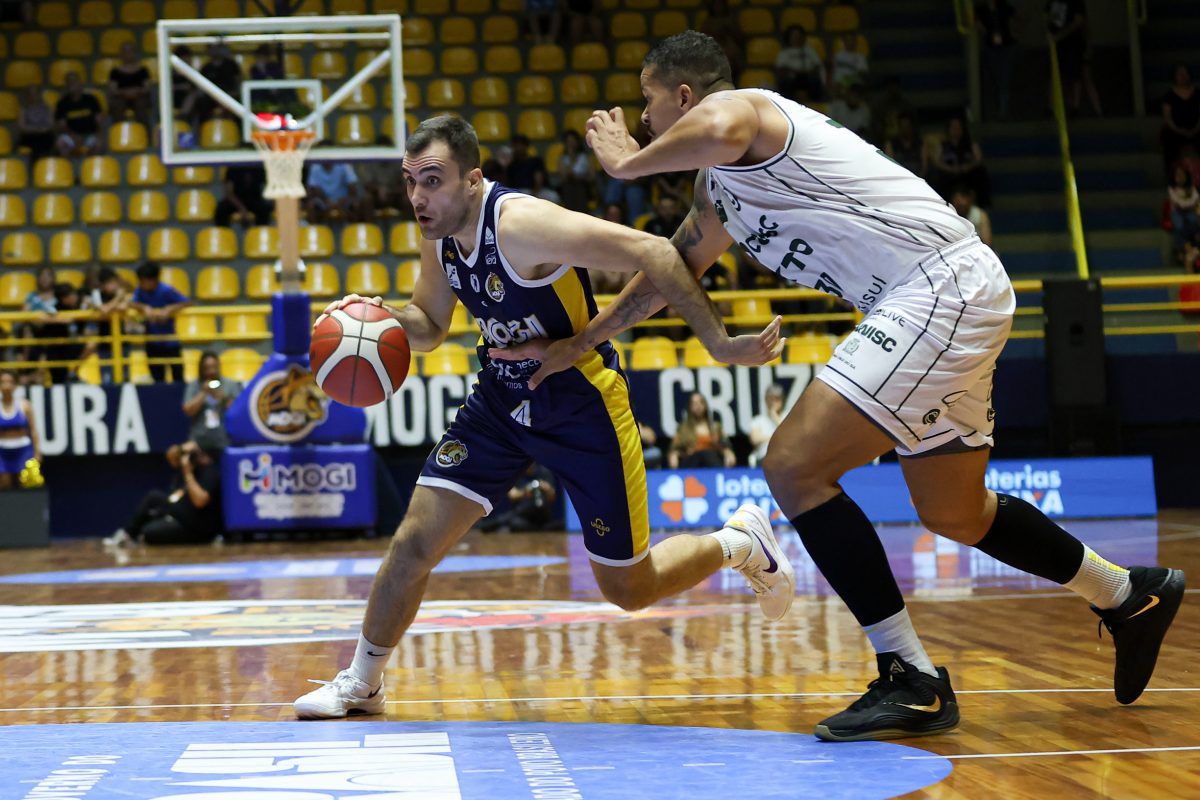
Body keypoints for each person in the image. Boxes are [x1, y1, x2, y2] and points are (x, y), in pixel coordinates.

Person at [508, 30, 1185, 742]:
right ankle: (1126, 593)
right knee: (954, 510)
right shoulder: (717, 188)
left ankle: (911, 676)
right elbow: (668, 272)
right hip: (944, 296)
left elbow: (720, 122)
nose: (644, 117)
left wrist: (626, 164)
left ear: (685, 95)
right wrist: (580, 342)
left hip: (936, 288)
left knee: (793, 466)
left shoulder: (748, 112)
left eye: (649, 100)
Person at [293, 114, 786, 719]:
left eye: (433, 180)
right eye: (410, 181)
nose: (418, 196)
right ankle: (362, 682)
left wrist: (717, 342)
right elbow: (430, 323)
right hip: (500, 403)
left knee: (628, 588)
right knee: (414, 541)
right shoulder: (439, 233)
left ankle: (739, 542)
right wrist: (377, 320)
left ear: (473, 180)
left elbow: (655, 251)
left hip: (581, 406)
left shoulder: (522, 225)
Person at [104, 440, 224, 547]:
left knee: (149, 532)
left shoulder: (210, 471)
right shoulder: (193, 465)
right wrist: (181, 449)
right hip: (183, 513)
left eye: (197, 453)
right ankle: (127, 534)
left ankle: (139, 535)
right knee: (154, 497)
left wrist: (188, 473)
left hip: (197, 525)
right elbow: (170, 457)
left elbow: (200, 501)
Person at [131, 261, 190, 383]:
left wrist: (169, 309)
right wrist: (144, 307)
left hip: (170, 341)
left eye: (143, 281)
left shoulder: (166, 290)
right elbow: (131, 303)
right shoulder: (140, 291)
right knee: (157, 379)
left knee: (178, 376)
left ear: (153, 280)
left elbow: (186, 302)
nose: (141, 284)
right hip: (152, 342)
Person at [1045, 0, 1101, 117]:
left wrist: (1059, 35)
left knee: (1078, 76)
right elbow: (1050, 19)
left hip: (1074, 45)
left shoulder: (1075, 3)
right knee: (1057, 75)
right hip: (1059, 46)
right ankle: (1053, 107)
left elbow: (1080, 22)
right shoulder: (1053, 3)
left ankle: (1081, 108)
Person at [182, 351, 241, 451]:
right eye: (207, 368)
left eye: (214, 367)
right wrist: (203, 393)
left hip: (225, 440)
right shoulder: (194, 385)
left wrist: (224, 399)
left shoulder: (230, 384)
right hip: (199, 440)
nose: (211, 371)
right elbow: (188, 411)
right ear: (201, 369)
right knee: (180, 455)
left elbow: (239, 413)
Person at [478, 462, 560, 533]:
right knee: (516, 523)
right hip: (524, 514)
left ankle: (498, 525)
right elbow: (512, 495)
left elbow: (552, 496)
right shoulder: (517, 473)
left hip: (542, 513)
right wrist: (526, 491)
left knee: (557, 524)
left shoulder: (543, 471)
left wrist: (545, 488)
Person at [930, 116, 990, 208]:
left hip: (967, 173)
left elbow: (978, 159)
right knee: (937, 177)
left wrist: (967, 167)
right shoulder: (943, 144)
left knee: (981, 172)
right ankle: (942, 206)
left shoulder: (970, 144)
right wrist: (949, 168)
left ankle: (983, 204)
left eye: (958, 127)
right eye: (953, 127)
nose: (956, 130)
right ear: (948, 129)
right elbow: (936, 161)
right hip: (948, 173)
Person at [83, 266, 130, 383]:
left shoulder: (120, 293)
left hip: (122, 342)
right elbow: (105, 310)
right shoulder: (96, 294)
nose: (113, 286)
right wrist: (118, 299)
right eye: (110, 283)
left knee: (124, 379)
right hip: (105, 344)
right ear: (102, 285)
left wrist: (114, 303)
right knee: (107, 380)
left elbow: (124, 307)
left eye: (114, 282)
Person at [38, 282, 93, 384]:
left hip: (73, 344)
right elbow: (40, 319)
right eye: (69, 297)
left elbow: (94, 303)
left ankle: (73, 373)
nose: (73, 298)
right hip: (57, 346)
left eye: (73, 295)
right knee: (57, 378)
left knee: (91, 344)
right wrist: (61, 320)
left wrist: (87, 305)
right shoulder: (55, 308)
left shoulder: (82, 301)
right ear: (62, 299)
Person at [668, 392, 736, 469]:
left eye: (701, 402)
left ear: (705, 405)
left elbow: (725, 444)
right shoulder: (683, 428)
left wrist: (728, 452)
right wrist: (674, 455)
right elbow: (675, 448)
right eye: (694, 403)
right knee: (700, 455)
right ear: (690, 407)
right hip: (692, 460)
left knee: (706, 454)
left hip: (712, 459)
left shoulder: (715, 427)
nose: (698, 406)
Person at [976, 0, 1018, 120]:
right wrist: (984, 31)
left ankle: (1003, 110)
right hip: (991, 47)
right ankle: (1001, 107)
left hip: (1007, 46)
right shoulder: (981, 10)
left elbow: (1018, 18)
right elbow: (978, 25)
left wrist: (1015, 32)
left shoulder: (1004, 7)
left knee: (1005, 77)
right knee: (997, 76)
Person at [0, 369, 40, 491]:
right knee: (4, 484)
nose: (7, 386)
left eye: (10, 382)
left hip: (23, 450)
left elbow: (33, 430)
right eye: (3, 382)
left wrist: (37, 453)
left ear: (15, 385)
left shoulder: (24, 405)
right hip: (2, 451)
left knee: (26, 483)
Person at [54, 72, 105, 158]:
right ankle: (69, 165)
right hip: (71, 135)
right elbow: (62, 125)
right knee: (60, 144)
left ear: (80, 83)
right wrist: (74, 136)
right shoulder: (62, 103)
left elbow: (99, 120)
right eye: (69, 82)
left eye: (74, 81)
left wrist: (99, 135)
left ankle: (89, 164)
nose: (72, 84)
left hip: (90, 134)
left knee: (98, 145)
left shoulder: (91, 99)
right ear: (66, 85)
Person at [1161, 64, 1200, 176]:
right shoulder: (1169, 96)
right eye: (1180, 74)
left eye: (1185, 73)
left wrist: (1196, 128)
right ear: (1175, 76)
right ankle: (1172, 175)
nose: (1183, 76)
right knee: (1168, 139)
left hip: (1196, 128)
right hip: (1175, 130)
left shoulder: (1197, 93)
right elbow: (1167, 117)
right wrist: (1178, 130)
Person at [305, 153, 363, 224]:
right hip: (323, 201)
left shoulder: (344, 164)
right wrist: (326, 201)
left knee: (356, 204)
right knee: (311, 206)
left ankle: (355, 229)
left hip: (343, 200)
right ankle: (314, 229)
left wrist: (342, 201)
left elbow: (352, 186)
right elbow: (314, 188)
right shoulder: (315, 167)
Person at [107, 41, 152, 130]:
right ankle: (119, 131)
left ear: (135, 53)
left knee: (141, 105)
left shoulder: (143, 70)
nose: (128, 54)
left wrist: (137, 91)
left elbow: (147, 88)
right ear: (121, 54)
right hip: (121, 97)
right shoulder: (115, 72)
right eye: (125, 51)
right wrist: (126, 93)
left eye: (130, 51)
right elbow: (113, 90)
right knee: (116, 105)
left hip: (139, 97)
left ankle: (143, 132)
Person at [775, 26, 825, 104]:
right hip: (792, 79)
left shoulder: (810, 51)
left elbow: (817, 66)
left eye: (799, 35)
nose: (797, 38)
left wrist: (809, 72)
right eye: (794, 36)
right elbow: (780, 69)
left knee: (815, 82)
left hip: (808, 77)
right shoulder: (784, 53)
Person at [214, 163, 272, 228]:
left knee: (265, 209)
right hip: (236, 200)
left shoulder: (259, 168)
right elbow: (229, 194)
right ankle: (223, 232)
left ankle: (258, 232)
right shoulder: (233, 168)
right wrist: (242, 209)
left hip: (254, 199)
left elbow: (267, 188)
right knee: (221, 210)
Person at [554, 129, 594, 213]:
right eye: (568, 141)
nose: (571, 143)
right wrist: (572, 157)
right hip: (568, 185)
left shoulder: (585, 157)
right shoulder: (562, 159)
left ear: (578, 141)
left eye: (573, 140)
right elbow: (563, 177)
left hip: (584, 185)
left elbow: (591, 176)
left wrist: (580, 177)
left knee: (579, 188)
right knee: (569, 187)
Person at [1168, 164, 1200, 262]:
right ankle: (1186, 249)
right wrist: (1189, 204)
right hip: (1177, 212)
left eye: (1182, 175)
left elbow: (1195, 199)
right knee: (1179, 226)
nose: (1180, 177)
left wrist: (1189, 204)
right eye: (1178, 175)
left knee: (1194, 222)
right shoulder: (1172, 189)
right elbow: (1178, 204)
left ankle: (1189, 249)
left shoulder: (1192, 188)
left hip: (1190, 212)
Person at [748, 384, 785, 467]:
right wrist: (776, 437)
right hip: (764, 458)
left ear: (782, 400)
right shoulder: (758, 420)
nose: (773, 403)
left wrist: (774, 416)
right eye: (771, 399)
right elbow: (754, 439)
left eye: (777, 399)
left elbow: (789, 435)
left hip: (784, 458)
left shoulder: (787, 416)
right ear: (766, 400)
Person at [17, 86, 56, 163]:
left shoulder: (47, 108)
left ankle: (39, 163)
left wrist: (43, 129)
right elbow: (22, 127)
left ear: (39, 94)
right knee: (36, 141)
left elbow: (51, 124)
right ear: (28, 96)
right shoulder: (24, 109)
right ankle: (38, 164)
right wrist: (36, 129)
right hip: (29, 136)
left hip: (44, 135)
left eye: (35, 94)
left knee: (46, 139)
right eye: (31, 94)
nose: (33, 96)